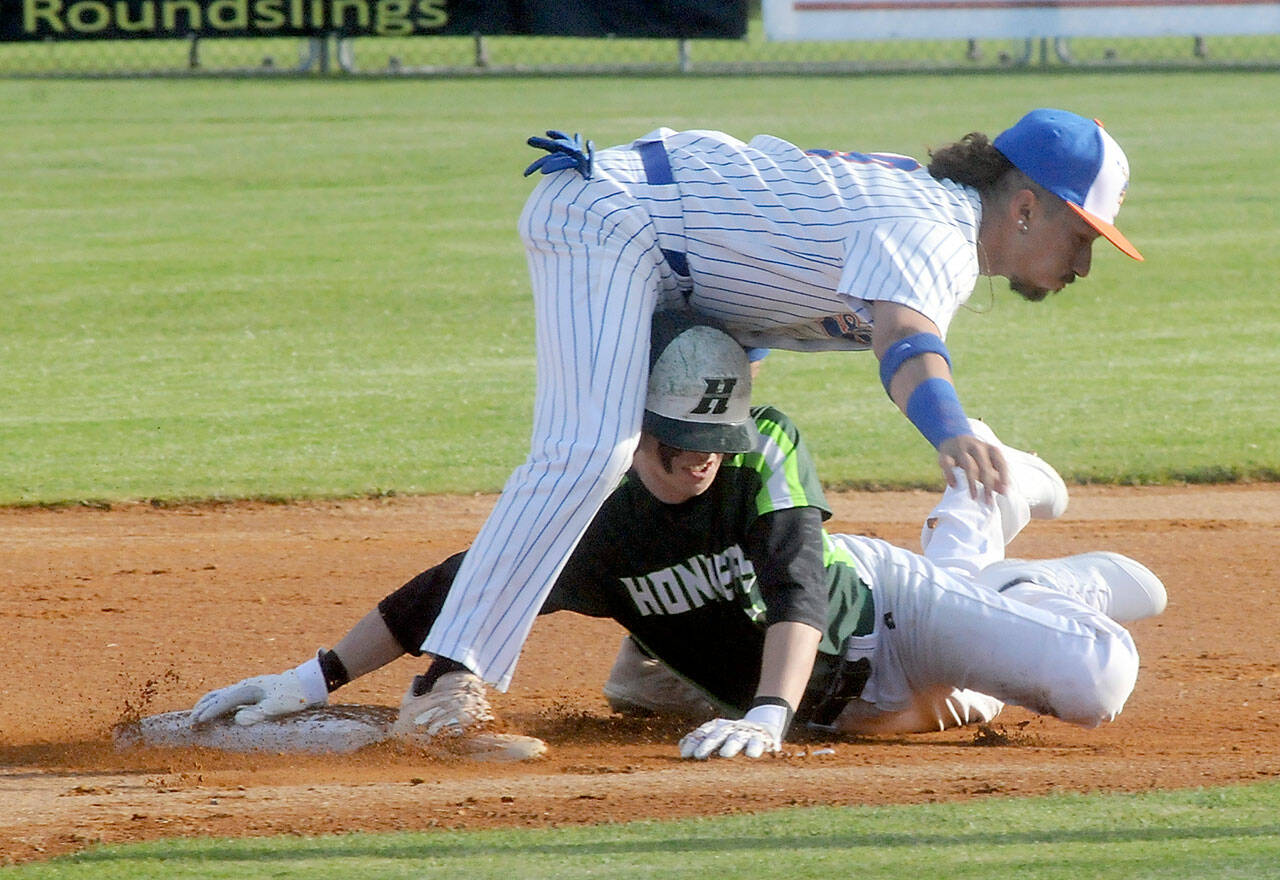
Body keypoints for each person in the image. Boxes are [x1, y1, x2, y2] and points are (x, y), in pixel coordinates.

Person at [419, 108, 1145, 709]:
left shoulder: (928, 217)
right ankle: (447, 682)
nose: (1083, 265)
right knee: (591, 448)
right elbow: (906, 340)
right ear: (1025, 207)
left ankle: (656, 645)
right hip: (611, 217)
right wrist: (950, 430)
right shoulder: (937, 231)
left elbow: (741, 318)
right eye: (1082, 237)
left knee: (662, 447)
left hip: (650, 244)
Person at [192, 315, 1166, 758]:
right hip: (857, 713)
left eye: (713, 442)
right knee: (640, 683)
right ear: (635, 428)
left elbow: (794, 592)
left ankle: (1045, 585)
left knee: (1093, 682)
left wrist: (766, 715)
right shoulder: (599, 506)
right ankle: (979, 510)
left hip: (887, 621)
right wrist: (312, 676)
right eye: (678, 445)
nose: (698, 461)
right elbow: (460, 587)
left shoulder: (761, 452)